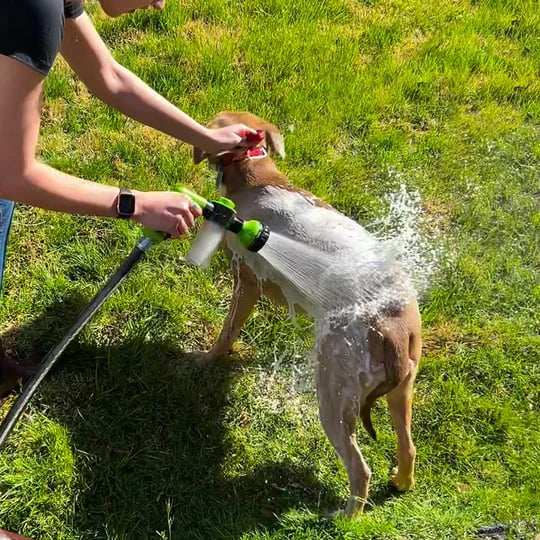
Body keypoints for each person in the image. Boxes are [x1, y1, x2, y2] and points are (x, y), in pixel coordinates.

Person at [0, 0, 256, 396]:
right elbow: (12, 174)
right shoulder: (30, 11)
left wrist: (209, 139)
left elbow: (109, 76)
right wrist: (135, 204)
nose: (160, 4)